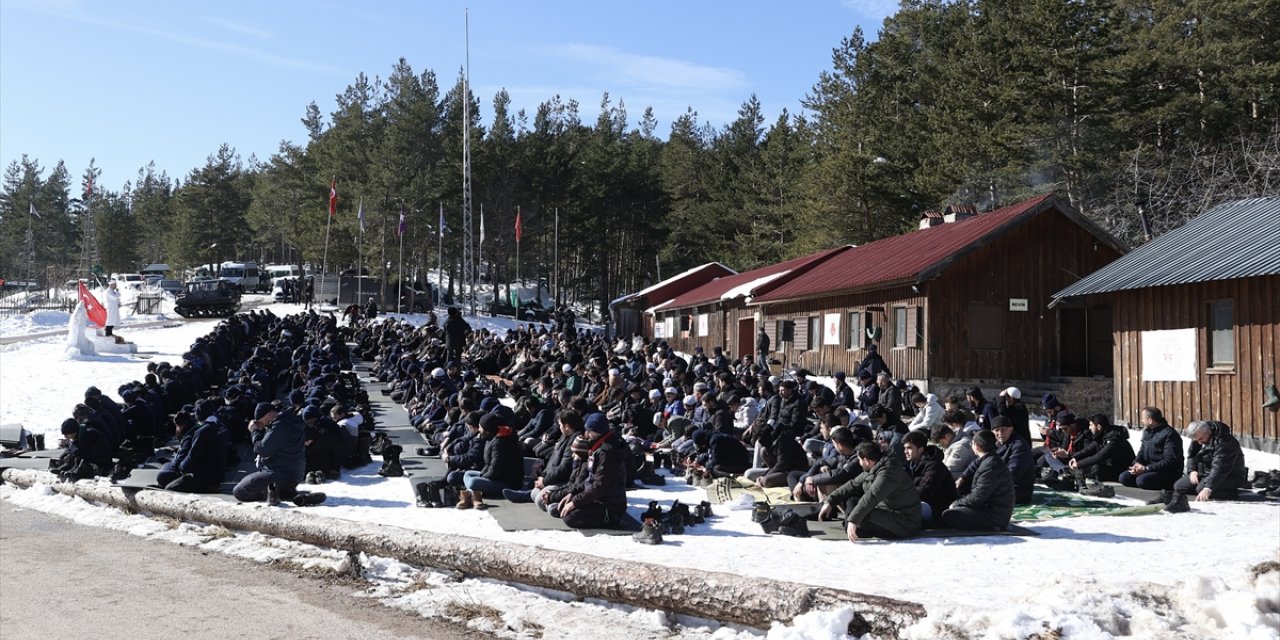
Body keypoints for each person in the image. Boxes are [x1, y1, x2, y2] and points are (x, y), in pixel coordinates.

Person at [819, 442, 922, 541]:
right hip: (886, 512)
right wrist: (829, 502)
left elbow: (872, 496)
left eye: (859, 460)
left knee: (862, 513)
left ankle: (854, 527)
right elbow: (852, 485)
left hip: (904, 522)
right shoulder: (874, 468)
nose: (859, 463)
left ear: (866, 460)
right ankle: (854, 527)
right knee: (852, 500)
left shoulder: (889, 473)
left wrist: (853, 520)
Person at [233, 403, 324, 506]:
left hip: (280, 473)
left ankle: (276, 495)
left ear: (268, 415)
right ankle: (294, 497)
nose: (262, 426)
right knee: (248, 481)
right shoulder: (288, 421)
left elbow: (263, 450)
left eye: (260, 422)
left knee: (240, 491)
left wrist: (254, 431)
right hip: (290, 473)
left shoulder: (281, 425)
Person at [556, 412, 628, 529]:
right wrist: (573, 494)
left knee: (570, 517)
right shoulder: (599, 447)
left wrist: (575, 502)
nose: (586, 434)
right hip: (598, 497)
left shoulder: (607, 453)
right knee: (558, 509)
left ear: (595, 431)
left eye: (588, 430)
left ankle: (612, 520)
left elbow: (599, 487)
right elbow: (590, 479)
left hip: (608, 504)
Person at [941, 429, 1015, 531]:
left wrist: (957, 503)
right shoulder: (988, 458)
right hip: (988, 508)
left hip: (995, 515)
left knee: (949, 515)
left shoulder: (991, 466)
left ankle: (992, 526)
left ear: (977, 446)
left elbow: (978, 497)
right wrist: (962, 478)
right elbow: (973, 466)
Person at [1174, 420, 1247, 502]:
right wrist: (1192, 471)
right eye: (1196, 440)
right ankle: (1206, 486)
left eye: (1200, 439)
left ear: (1208, 431)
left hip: (1228, 476)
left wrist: (1208, 488)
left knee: (1201, 489)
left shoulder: (1224, 442)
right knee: (1179, 487)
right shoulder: (1199, 437)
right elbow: (1192, 455)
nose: (1199, 442)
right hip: (1205, 473)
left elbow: (1220, 467)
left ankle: (1231, 493)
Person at [1119, 407, 1184, 492]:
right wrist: (1137, 463)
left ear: (1150, 421)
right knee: (1124, 478)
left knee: (1142, 481)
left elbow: (1170, 460)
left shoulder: (1170, 434)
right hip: (1147, 468)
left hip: (1165, 471)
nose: (1141, 420)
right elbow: (1141, 451)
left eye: (1143, 418)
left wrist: (1146, 469)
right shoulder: (1147, 432)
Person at [903, 430, 956, 526]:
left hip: (938, 509)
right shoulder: (909, 465)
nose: (905, 452)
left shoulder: (934, 465)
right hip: (919, 501)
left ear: (920, 449)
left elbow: (926, 489)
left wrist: (903, 498)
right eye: (905, 448)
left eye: (909, 448)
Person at [1068, 414, 1135, 488]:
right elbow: (1088, 450)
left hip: (1121, 469)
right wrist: (1075, 457)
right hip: (1110, 466)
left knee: (1095, 468)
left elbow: (1100, 456)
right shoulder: (1102, 436)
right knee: (1087, 467)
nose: (1089, 428)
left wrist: (1078, 464)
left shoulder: (1114, 439)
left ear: (1099, 427)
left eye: (1091, 425)